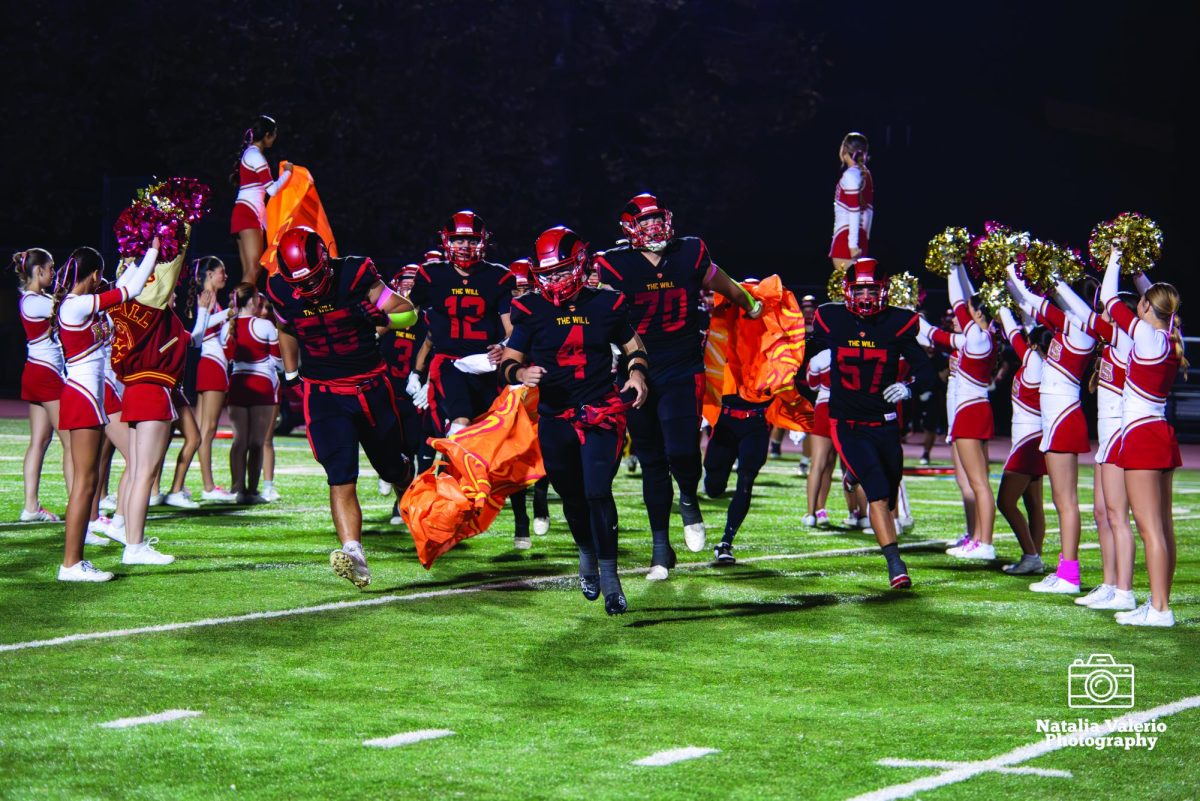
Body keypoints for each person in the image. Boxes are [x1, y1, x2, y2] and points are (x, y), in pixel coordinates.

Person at [594, 193, 761, 580]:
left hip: (683, 365)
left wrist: (751, 303)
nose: (654, 227)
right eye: (645, 221)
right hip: (636, 371)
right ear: (629, 229)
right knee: (651, 459)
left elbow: (727, 285)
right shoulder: (612, 264)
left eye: (657, 219)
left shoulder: (689, 251)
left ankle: (688, 495)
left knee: (682, 449)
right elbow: (593, 310)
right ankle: (659, 550)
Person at [500, 226, 648, 614]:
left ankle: (611, 576)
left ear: (581, 265)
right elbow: (511, 359)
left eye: (562, 270)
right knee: (571, 495)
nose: (554, 280)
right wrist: (520, 375)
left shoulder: (607, 303)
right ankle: (586, 553)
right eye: (547, 273)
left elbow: (633, 345)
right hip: (555, 415)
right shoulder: (529, 308)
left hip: (600, 411)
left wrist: (636, 373)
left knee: (598, 491)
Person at [268, 226, 416, 588]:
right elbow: (285, 326)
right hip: (324, 393)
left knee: (391, 468)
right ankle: (355, 555)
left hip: (369, 387)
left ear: (325, 263)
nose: (307, 288)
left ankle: (411, 498)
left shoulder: (355, 272)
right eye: (299, 282)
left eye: (315, 278)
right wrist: (290, 373)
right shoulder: (280, 288)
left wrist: (381, 318)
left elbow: (408, 314)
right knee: (340, 473)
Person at [407, 211, 531, 546]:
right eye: (459, 238)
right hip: (450, 365)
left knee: (504, 448)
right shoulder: (430, 275)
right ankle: (450, 511)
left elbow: (510, 328)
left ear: (483, 241)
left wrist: (505, 347)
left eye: (472, 239)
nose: (465, 245)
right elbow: (401, 311)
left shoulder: (498, 277)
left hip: (489, 368)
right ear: (447, 241)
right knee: (458, 426)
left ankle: (521, 518)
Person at [809, 258, 934, 588]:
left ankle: (853, 473)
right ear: (848, 291)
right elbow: (805, 356)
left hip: (885, 423)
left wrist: (908, 387)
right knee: (878, 495)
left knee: (889, 494)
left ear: (884, 291)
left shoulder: (898, 323)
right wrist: (805, 395)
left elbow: (928, 373)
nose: (865, 295)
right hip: (847, 422)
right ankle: (895, 562)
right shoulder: (831, 318)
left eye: (872, 289)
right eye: (860, 288)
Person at [54, 240, 164, 580]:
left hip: (91, 397)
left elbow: (123, 287)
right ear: (94, 275)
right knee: (85, 484)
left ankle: (75, 562)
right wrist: (155, 251)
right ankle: (71, 564)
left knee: (88, 483)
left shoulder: (83, 304)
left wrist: (140, 251)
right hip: (82, 395)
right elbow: (128, 291)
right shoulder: (74, 306)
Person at [1053, 275, 1147, 611]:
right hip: (1106, 441)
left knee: (1118, 516)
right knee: (1102, 513)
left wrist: (1056, 283)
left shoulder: (1125, 339)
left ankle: (1125, 590)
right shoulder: (1110, 344)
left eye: (1110, 311)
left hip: (1121, 438)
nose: (1104, 315)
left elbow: (1081, 309)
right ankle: (1109, 584)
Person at [1101, 246, 1183, 627]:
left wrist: (1117, 255)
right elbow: (1155, 299)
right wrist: (1138, 271)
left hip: (1142, 437)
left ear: (1148, 309)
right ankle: (1158, 602)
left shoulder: (1147, 338)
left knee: (1149, 529)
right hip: (1161, 434)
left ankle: (1161, 609)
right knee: (1162, 528)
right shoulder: (1166, 338)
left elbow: (1107, 298)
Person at [1007, 266, 1094, 595]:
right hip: (1057, 420)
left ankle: (1069, 574)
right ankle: (1065, 569)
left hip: (1063, 419)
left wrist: (1012, 270)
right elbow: (1029, 308)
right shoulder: (1067, 328)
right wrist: (1009, 280)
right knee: (1062, 501)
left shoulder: (1081, 326)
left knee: (1065, 502)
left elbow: (1035, 298)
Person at [921, 264, 997, 559]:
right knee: (976, 482)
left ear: (979, 314)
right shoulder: (978, 339)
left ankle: (985, 543)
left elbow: (958, 301)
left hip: (970, 412)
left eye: (968, 311)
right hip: (975, 410)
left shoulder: (977, 338)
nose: (960, 314)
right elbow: (932, 334)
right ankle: (978, 539)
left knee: (978, 483)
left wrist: (952, 264)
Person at [12, 248, 72, 522]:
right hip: (45, 374)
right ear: (38, 272)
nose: (53, 273)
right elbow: (66, 308)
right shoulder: (34, 302)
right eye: (50, 269)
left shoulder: (35, 299)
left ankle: (31, 508)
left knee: (40, 440)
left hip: (38, 372)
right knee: (71, 442)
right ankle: (81, 508)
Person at [225, 283, 280, 503]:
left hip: (237, 384)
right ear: (252, 301)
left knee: (239, 441)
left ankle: (237, 489)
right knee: (257, 442)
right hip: (262, 385)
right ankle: (253, 491)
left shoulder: (227, 326)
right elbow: (278, 361)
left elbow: (227, 356)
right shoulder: (265, 325)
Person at [188, 257, 237, 501]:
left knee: (201, 431)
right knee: (207, 431)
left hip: (211, 364)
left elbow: (220, 337)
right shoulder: (206, 299)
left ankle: (190, 485)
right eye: (221, 272)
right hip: (212, 365)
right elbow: (200, 333)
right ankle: (208, 487)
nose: (225, 276)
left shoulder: (211, 300)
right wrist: (229, 313)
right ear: (209, 274)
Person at [230, 115, 291, 287]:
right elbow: (271, 189)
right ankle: (240, 310)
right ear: (267, 135)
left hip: (248, 212)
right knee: (254, 269)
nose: (274, 138)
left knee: (250, 270)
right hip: (247, 213)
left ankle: (238, 310)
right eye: (274, 134)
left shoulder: (252, 154)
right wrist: (288, 172)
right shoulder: (255, 155)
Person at [829, 132, 873, 271]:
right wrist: (864, 239)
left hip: (846, 242)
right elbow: (868, 213)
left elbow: (854, 212)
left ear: (844, 150)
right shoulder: (866, 174)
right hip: (859, 239)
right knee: (857, 290)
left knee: (847, 290)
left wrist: (853, 246)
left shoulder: (850, 176)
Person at [801, 348, 834, 527]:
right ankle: (858, 513)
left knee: (818, 464)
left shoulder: (820, 357)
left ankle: (811, 512)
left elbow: (813, 385)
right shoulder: (855, 350)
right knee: (841, 466)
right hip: (848, 408)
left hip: (824, 406)